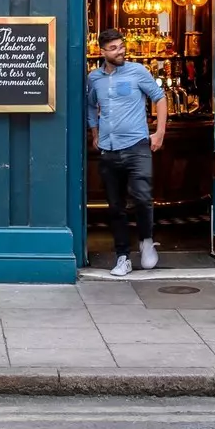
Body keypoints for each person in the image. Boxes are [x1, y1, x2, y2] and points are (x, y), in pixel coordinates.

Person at [85, 29, 166, 277]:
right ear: (102, 51)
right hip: (109, 150)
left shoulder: (138, 71)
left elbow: (160, 98)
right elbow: (90, 106)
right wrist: (95, 133)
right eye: (114, 48)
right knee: (115, 206)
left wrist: (160, 133)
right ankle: (123, 257)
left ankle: (146, 239)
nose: (120, 51)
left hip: (137, 146)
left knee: (142, 197)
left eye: (121, 46)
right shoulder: (94, 78)